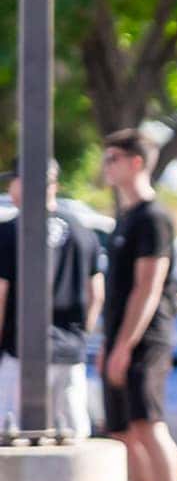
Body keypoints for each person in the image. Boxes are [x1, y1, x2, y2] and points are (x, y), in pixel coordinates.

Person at [99, 129, 177, 481]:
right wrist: (108, 343)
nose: (106, 165)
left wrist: (125, 345)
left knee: (149, 427)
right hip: (118, 339)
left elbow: (147, 289)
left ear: (136, 161)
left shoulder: (154, 218)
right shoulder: (125, 218)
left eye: (112, 157)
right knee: (124, 431)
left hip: (146, 341)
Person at [0, 159, 102, 436]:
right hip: (69, 350)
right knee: (72, 438)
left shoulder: (10, 231)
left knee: (11, 436)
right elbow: (97, 293)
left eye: (14, 180)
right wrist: (82, 335)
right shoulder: (83, 231)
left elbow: (1, 293)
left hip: (18, 351)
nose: (11, 188)